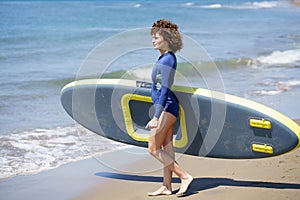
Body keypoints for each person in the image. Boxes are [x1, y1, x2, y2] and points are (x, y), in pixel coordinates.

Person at [146, 19, 193, 196]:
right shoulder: (164, 57)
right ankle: (167, 186)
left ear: (166, 38)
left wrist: (156, 116)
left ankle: (185, 176)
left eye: (156, 37)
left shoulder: (167, 60)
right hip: (167, 107)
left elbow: (164, 89)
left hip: (166, 108)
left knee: (153, 148)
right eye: (152, 37)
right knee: (166, 148)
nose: (153, 40)